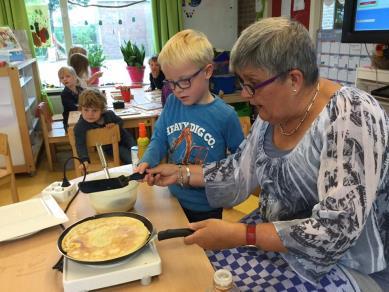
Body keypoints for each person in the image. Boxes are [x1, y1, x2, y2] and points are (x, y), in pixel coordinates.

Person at [144, 18, 389, 291]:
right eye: (242, 83)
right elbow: (238, 170)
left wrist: (242, 234)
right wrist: (181, 173)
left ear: (294, 79)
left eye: (253, 84)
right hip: (274, 245)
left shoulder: (353, 115)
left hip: (346, 266)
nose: (246, 95)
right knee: (196, 270)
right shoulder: (271, 115)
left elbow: (335, 231)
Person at [135, 29, 244, 223]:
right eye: (171, 83)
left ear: (208, 71)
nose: (177, 90)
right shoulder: (172, 103)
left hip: (207, 207)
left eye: (184, 81)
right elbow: (159, 139)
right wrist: (147, 160)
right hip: (173, 198)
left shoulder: (225, 115)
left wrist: (230, 190)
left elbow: (240, 163)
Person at [73, 88, 136, 172]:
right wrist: (84, 160)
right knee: (131, 159)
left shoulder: (109, 114)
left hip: (126, 139)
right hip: (112, 147)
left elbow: (120, 121)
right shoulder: (80, 126)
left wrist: (115, 125)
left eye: (94, 110)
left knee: (136, 151)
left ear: (101, 110)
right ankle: (136, 169)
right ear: (81, 109)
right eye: (86, 110)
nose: (90, 114)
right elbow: (80, 144)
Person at [58, 66, 84, 131]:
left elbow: (88, 99)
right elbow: (74, 108)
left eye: (67, 76)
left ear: (75, 77)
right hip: (69, 123)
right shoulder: (64, 94)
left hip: (80, 118)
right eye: (62, 78)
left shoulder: (80, 89)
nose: (65, 79)